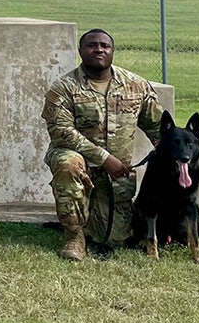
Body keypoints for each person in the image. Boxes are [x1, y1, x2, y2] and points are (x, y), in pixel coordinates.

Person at [42, 28, 162, 261]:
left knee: (113, 238)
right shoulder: (63, 88)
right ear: (80, 51)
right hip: (82, 164)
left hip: (117, 176)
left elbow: (158, 129)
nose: (99, 49)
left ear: (112, 51)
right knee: (68, 163)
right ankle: (74, 238)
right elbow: (61, 132)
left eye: (105, 46)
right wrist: (105, 159)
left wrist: (170, 154)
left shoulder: (136, 86)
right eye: (92, 45)